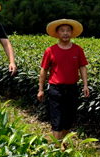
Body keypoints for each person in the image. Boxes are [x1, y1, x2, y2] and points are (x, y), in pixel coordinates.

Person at [37, 18, 90, 147]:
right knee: (57, 116)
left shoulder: (78, 50)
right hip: (56, 88)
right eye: (62, 31)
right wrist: (41, 89)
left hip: (72, 87)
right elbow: (44, 70)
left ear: (71, 33)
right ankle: (57, 145)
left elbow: (82, 67)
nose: (65, 33)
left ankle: (63, 142)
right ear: (57, 34)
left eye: (68, 30)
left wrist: (85, 85)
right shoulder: (50, 51)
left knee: (69, 116)